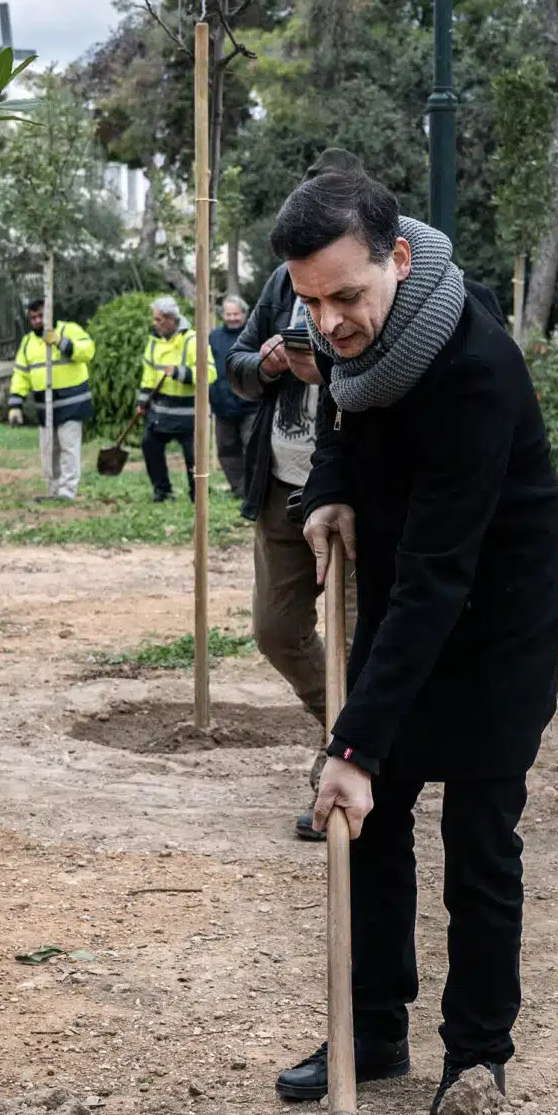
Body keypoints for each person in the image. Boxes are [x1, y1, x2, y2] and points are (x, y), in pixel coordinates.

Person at [273, 168, 558, 1115]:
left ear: (399, 258)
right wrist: (325, 494)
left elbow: (445, 571)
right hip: (408, 600)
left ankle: (477, 1055)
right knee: (373, 828)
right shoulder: (354, 344)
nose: (329, 322)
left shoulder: (474, 365)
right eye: (310, 302)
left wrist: (351, 744)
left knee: (479, 840)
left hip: (495, 626)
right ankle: (372, 1027)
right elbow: (340, 424)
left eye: (346, 295)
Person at [224, 150, 362, 842]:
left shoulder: (373, 277)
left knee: (357, 638)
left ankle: (344, 763)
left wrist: (332, 362)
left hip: (357, 493)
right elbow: (238, 368)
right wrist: (274, 361)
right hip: (283, 485)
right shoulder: (283, 280)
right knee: (277, 629)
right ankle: (345, 728)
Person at [9, 297, 94, 501]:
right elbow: (21, 374)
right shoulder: (28, 342)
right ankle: (53, 490)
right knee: (49, 450)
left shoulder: (70, 330)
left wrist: (60, 341)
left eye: (40, 316)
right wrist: (15, 403)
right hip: (44, 406)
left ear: (50, 314)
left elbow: (88, 351)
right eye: (33, 318)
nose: (37, 321)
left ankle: (67, 491)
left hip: (71, 403)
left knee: (68, 447)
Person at [135, 295, 198, 501]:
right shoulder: (153, 343)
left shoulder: (192, 341)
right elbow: (148, 377)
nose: (155, 324)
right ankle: (162, 491)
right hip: (160, 411)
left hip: (188, 413)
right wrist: (142, 402)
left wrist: (181, 373)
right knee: (149, 445)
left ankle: (196, 495)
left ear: (172, 319)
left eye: (159, 320)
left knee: (193, 457)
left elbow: (209, 373)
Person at [211, 293, 255, 495]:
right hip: (222, 404)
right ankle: (238, 487)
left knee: (252, 447)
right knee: (226, 449)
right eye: (228, 314)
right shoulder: (215, 336)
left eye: (235, 314)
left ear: (244, 314)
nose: (232, 318)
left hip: (250, 402)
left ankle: (253, 487)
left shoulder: (254, 334)